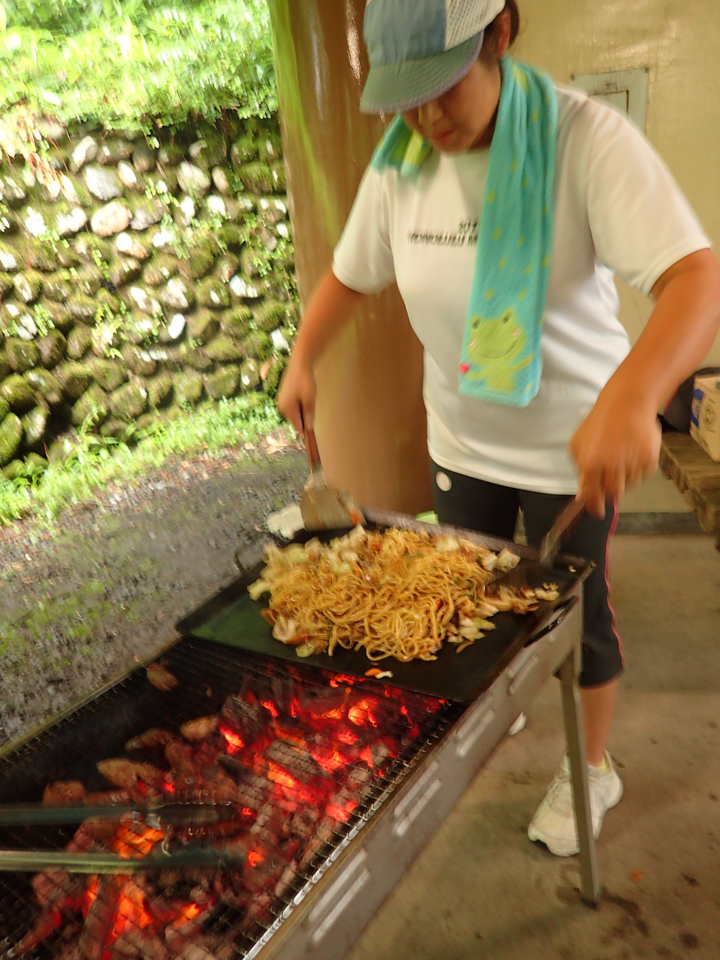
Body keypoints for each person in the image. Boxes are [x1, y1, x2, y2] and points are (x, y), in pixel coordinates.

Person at [277, 0, 720, 856]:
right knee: (465, 602)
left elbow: (694, 279)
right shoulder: (402, 160)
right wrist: (304, 358)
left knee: (579, 622)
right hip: (462, 439)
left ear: (500, 36)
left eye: (442, 88)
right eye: (406, 98)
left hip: (571, 450)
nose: (425, 118)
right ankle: (495, 704)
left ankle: (591, 767)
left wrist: (634, 397)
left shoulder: (584, 140)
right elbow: (351, 274)